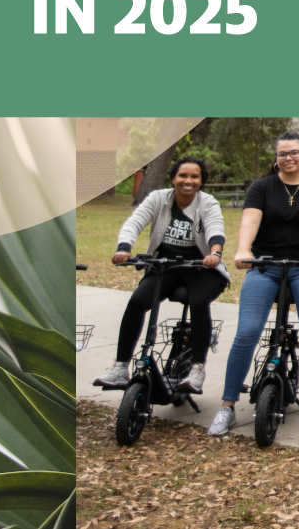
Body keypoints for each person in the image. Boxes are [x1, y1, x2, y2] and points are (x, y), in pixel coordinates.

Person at [208, 132, 299, 436]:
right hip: (264, 265)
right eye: (282, 154)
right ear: (276, 157)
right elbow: (250, 221)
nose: (288, 158)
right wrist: (243, 250)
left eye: (294, 153)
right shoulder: (262, 186)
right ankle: (227, 407)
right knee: (247, 332)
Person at [94, 157, 227, 394]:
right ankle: (120, 367)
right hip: (166, 266)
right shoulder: (158, 198)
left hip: (201, 268)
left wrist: (215, 253)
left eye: (195, 177)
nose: (188, 181)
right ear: (173, 178)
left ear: (201, 182)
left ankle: (197, 369)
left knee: (198, 302)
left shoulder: (208, 203)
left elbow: (215, 228)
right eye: (183, 176)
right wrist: (124, 247)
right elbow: (135, 222)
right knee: (137, 301)